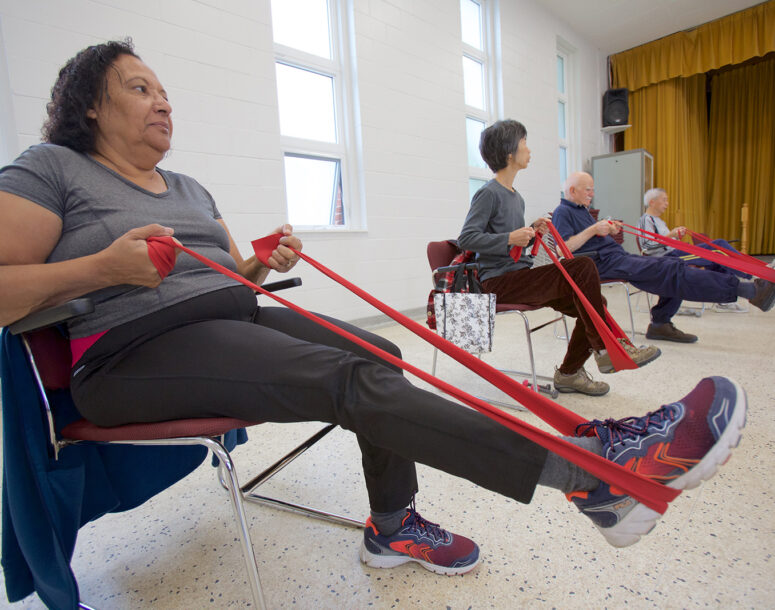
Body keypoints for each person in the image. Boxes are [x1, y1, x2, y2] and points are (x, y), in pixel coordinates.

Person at [0, 41, 747, 577]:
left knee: (379, 356)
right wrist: (102, 266)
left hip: (228, 314)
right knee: (352, 385)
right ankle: (596, 478)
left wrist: (262, 263)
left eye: (163, 88)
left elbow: (223, 273)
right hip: (126, 353)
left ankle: (392, 527)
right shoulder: (51, 169)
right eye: (138, 87)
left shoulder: (190, 188)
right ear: (88, 106)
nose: (162, 99)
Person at [458, 120, 660, 397]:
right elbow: (467, 238)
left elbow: (512, 239)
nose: (529, 149)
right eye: (524, 143)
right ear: (509, 153)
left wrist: (530, 231)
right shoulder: (488, 193)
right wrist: (509, 238)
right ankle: (605, 348)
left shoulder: (515, 197)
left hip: (518, 273)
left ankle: (568, 374)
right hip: (498, 282)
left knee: (594, 304)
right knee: (583, 267)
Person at [552, 172, 775, 343]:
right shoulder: (563, 212)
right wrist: (594, 230)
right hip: (602, 265)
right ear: (572, 190)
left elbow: (589, 237)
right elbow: (563, 250)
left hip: (618, 259)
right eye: (588, 189)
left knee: (672, 265)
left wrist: (608, 229)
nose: (592, 193)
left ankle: (660, 323)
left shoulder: (582, 210)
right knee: (671, 269)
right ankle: (749, 290)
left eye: (592, 189)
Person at [638, 188, 750, 313]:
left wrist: (675, 236)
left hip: (674, 253)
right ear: (652, 202)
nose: (667, 203)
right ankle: (750, 272)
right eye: (664, 200)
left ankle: (726, 299)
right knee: (717, 248)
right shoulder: (646, 219)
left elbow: (664, 241)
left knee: (718, 250)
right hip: (667, 258)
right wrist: (671, 235)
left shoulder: (659, 221)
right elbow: (647, 246)